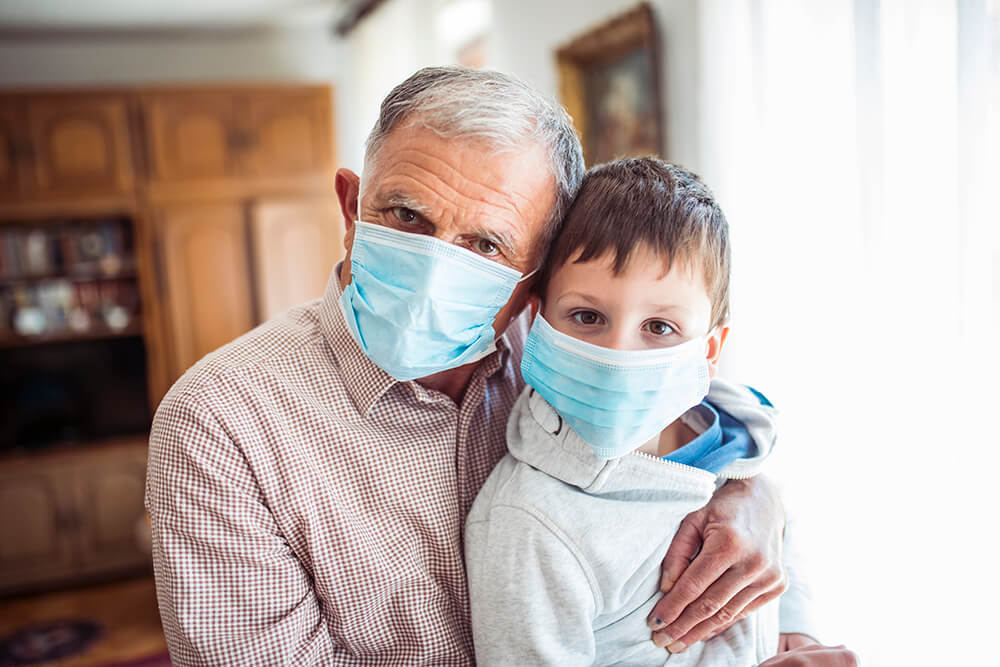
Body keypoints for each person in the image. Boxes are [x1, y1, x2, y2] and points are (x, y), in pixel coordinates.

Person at [145, 66, 844, 665]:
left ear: (536, 278)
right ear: (352, 206)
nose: (435, 269)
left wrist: (752, 495)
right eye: (408, 216)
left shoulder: (577, 349)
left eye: (486, 244)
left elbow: (708, 427)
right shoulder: (219, 421)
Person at [466, 158, 855, 666]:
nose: (618, 354)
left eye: (659, 328)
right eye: (587, 316)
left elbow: (779, 541)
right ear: (540, 319)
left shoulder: (731, 431)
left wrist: (797, 633)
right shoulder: (530, 525)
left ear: (709, 351)